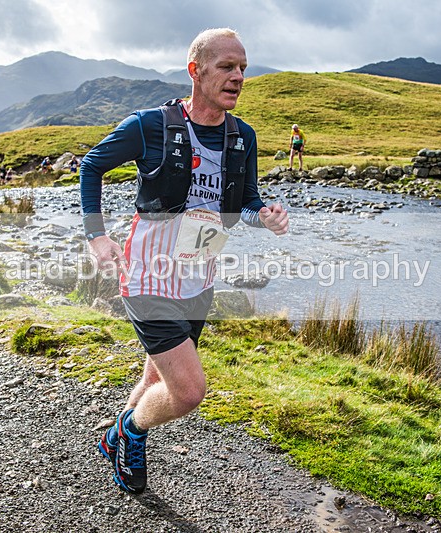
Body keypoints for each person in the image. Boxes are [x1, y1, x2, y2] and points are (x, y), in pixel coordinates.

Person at [79, 28, 288, 495]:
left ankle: (117, 433)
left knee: (158, 374)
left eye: (243, 68)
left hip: (199, 278)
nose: (237, 77)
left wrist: (266, 217)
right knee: (189, 392)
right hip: (148, 276)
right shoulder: (150, 125)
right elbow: (91, 165)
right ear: (196, 70)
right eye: (227, 67)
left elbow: (246, 204)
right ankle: (130, 433)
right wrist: (97, 237)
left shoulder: (242, 137)